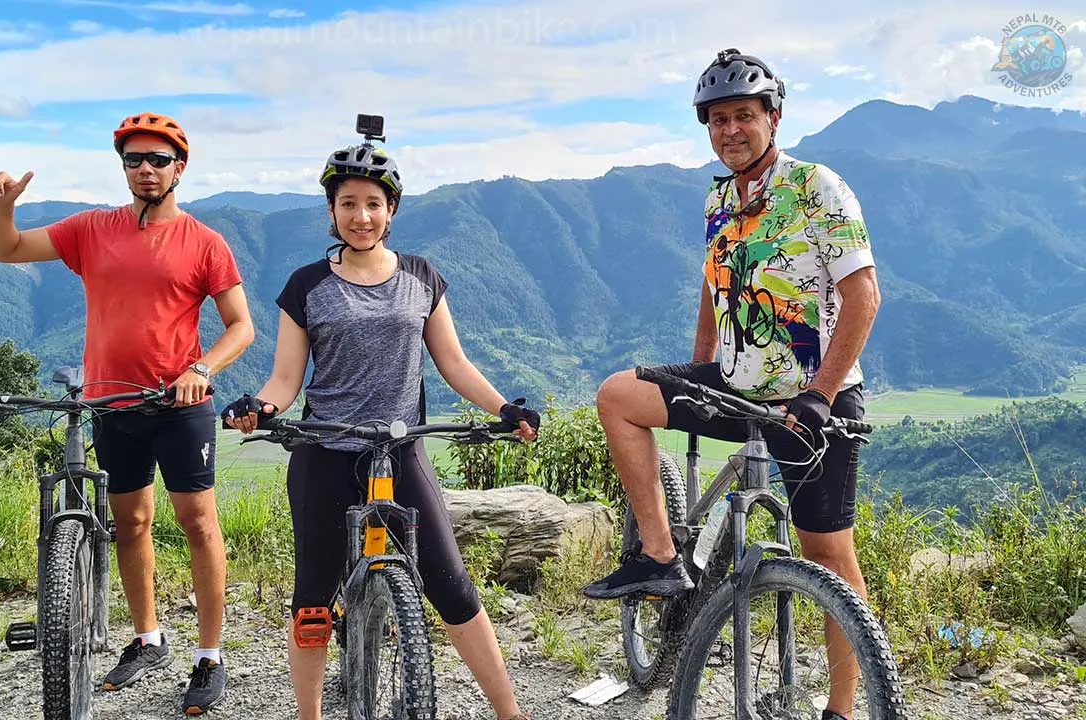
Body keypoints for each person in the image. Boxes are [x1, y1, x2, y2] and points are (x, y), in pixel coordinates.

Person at [583, 49, 882, 720]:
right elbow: (711, 285)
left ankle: (841, 708)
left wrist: (820, 393)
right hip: (731, 382)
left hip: (812, 397)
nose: (731, 130)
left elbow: (863, 297)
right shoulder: (719, 198)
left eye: (744, 115)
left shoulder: (817, 187)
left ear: (773, 116)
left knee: (828, 554)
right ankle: (660, 554)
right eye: (718, 120)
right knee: (617, 396)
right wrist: (694, 370)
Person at [222, 128, 539, 720]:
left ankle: (509, 713)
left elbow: (454, 363)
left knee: (451, 585)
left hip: (400, 449)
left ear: (391, 210)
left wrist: (505, 408)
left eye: (373, 203)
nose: (361, 216)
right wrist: (259, 408)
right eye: (348, 203)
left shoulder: (421, 277)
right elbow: (285, 379)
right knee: (313, 598)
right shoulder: (307, 285)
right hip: (324, 452)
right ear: (331, 211)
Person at [0, 112, 254, 715]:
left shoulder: (205, 242)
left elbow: (242, 327)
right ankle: (148, 639)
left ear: (180, 168)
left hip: (180, 405)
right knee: (130, 522)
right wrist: (2, 206)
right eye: (135, 160)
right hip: (110, 401)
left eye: (159, 160)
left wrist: (201, 369)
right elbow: (6, 249)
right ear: (123, 167)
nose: (146, 169)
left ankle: (210, 654)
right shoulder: (91, 229)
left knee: (198, 523)